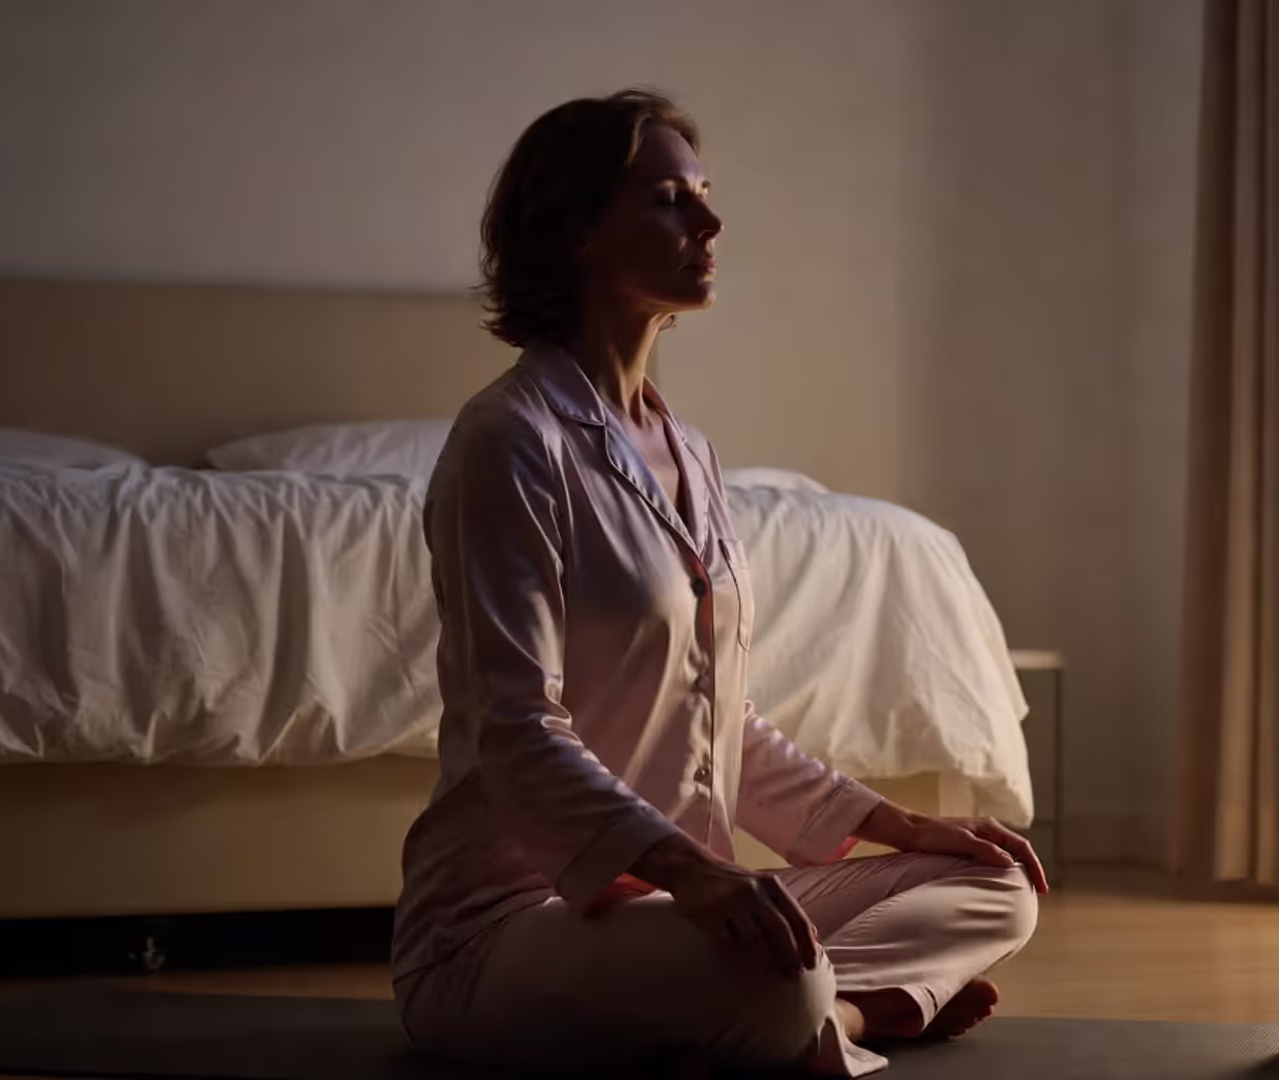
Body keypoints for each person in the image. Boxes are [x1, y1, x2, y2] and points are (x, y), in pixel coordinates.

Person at [391, 89, 1044, 1078]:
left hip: (678, 909)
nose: (710, 222)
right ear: (574, 230)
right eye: (668, 200)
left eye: (704, 194)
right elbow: (516, 730)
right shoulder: (509, 442)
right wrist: (692, 873)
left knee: (997, 886)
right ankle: (853, 1016)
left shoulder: (688, 452)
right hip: (512, 924)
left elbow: (720, 721)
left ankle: (834, 1010)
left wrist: (898, 823)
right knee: (776, 982)